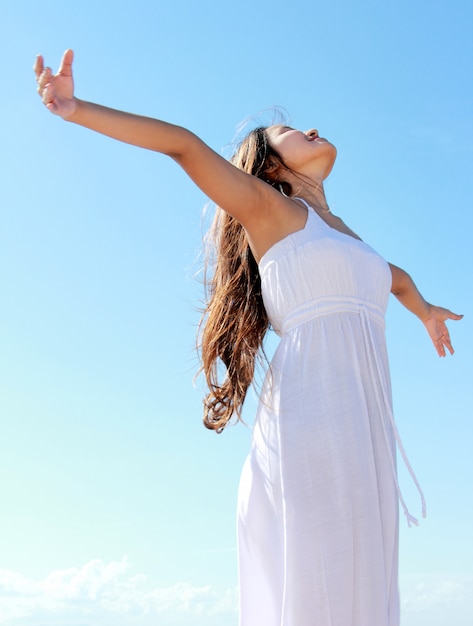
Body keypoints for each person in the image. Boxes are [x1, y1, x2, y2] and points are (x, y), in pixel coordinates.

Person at [34, 50, 462, 626]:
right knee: (325, 579)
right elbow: (183, 144)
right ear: (270, 168)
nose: (311, 130)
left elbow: (397, 279)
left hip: (364, 428)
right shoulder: (270, 212)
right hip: (313, 418)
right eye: (288, 132)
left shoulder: (349, 239)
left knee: (365, 572)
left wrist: (427, 309)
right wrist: (74, 107)